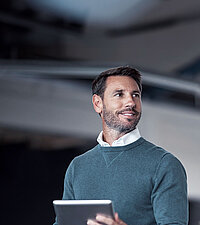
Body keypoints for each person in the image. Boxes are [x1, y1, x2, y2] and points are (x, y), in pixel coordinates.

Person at [54, 66, 188, 225]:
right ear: (98, 103)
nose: (131, 102)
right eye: (119, 94)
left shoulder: (164, 165)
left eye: (135, 95)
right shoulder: (78, 167)